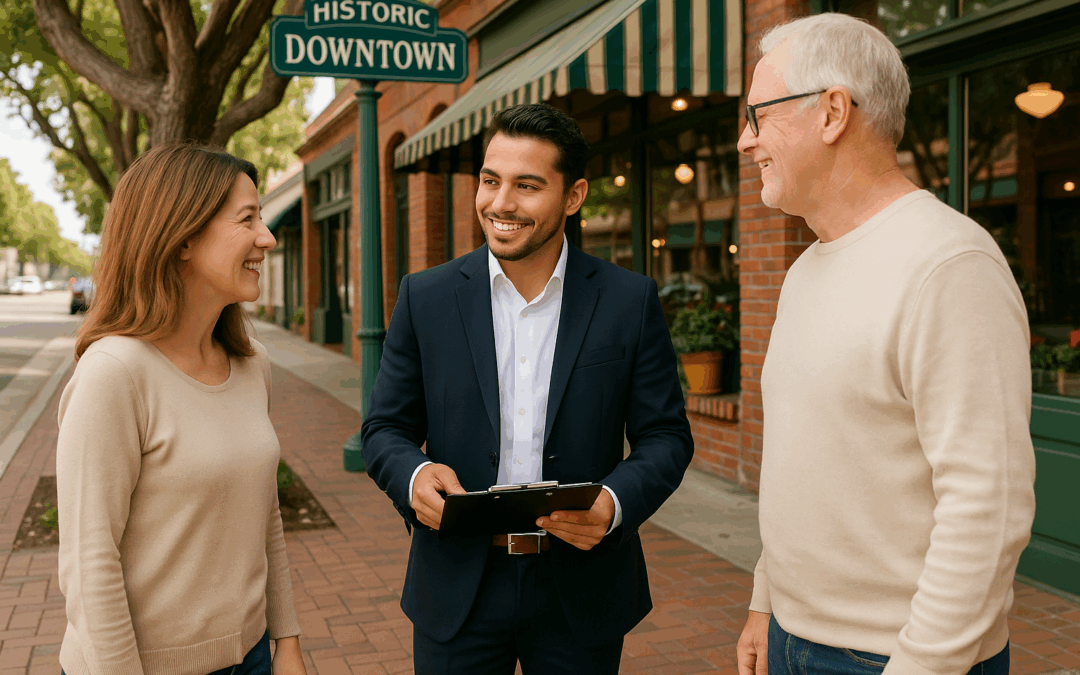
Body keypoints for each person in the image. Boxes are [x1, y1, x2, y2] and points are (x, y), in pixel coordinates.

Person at [734, 12, 1036, 675]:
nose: (743, 141)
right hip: (792, 635)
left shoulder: (950, 264)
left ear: (833, 111)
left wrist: (921, 664)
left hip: (892, 656)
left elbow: (989, 507)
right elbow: (804, 459)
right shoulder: (805, 269)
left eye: (757, 116)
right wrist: (766, 597)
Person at [360, 103, 695, 674]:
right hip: (456, 588)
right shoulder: (426, 297)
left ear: (574, 195)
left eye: (527, 185)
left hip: (582, 587)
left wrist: (612, 504)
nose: (500, 204)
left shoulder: (628, 300)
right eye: (490, 181)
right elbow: (383, 428)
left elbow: (665, 436)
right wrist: (412, 476)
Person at [56, 144, 306, 675]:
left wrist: (286, 641)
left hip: (253, 656)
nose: (267, 237)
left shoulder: (251, 363)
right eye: (247, 219)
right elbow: (90, 563)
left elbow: (265, 517)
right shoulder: (113, 374)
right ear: (184, 237)